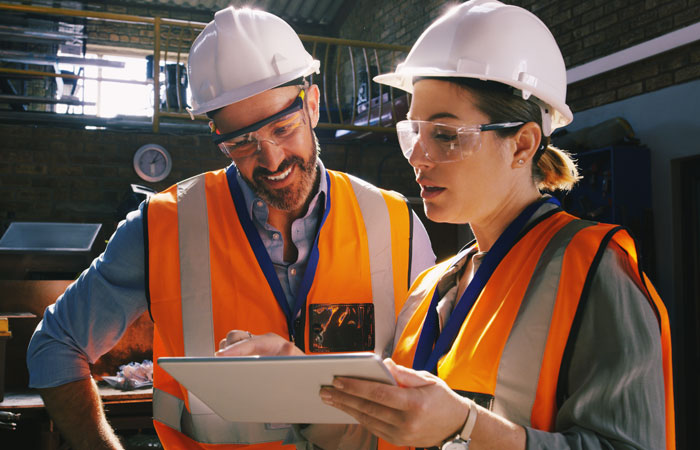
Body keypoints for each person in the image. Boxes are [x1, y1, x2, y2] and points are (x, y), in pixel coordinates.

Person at [25, 6, 435, 450]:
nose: (272, 159)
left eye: (283, 127)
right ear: (217, 135)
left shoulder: (397, 226)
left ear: (312, 104)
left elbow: (434, 388)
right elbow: (54, 345)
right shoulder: (163, 227)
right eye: (241, 142)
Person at [313, 1, 676, 449]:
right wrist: (299, 390)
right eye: (414, 133)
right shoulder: (430, 288)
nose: (417, 157)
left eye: (445, 136)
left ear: (522, 144)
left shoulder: (593, 270)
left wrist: (466, 427)